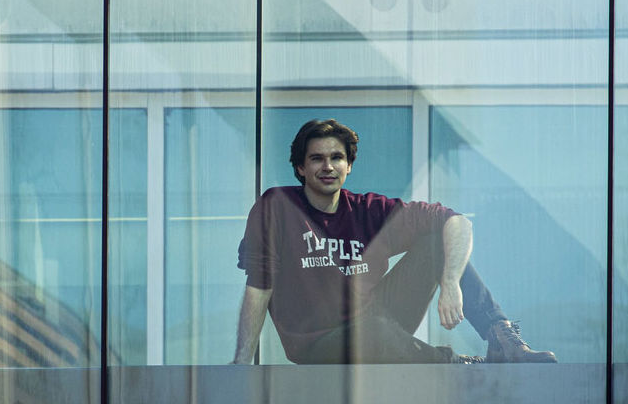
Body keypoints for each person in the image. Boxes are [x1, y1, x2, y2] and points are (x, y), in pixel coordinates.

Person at [232, 118, 556, 365]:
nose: (327, 166)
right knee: (372, 330)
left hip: (377, 324)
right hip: (319, 343)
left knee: (435, 242)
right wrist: (241, 363)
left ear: (349, 165)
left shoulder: (367, 210)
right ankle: (452, 364)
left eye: (336, 157)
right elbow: (259, 286)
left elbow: (456, 223)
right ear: (301, 168)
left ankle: (502, 339)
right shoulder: (277, 207)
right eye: (316, 159)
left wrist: (451, 282)